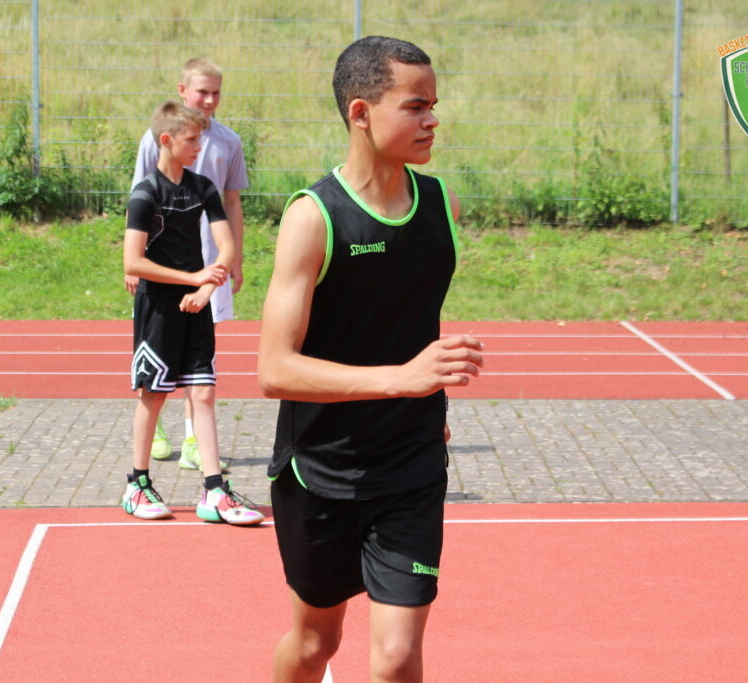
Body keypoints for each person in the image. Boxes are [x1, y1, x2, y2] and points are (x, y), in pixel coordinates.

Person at [257, 36, 485, 682]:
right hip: (321, 471)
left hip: (411, 466)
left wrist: (422, 393)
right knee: (314, 644)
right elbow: (274, 369)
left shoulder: (441, 206)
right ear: (360, 113)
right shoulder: (314, 218)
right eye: (415, 106)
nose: (432, 119)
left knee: (396, 656)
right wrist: (402, 380)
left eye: (434, 105)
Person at [122, 100, 263, 526]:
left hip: (196, 305)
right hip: (158, 309)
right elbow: (133, 262)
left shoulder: (203, 187)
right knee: (153, 395)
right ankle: (137, 485)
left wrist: (205, 289)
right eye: (191, 139)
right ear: (167, 140)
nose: (199, 146)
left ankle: (214, 491)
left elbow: (227, 248)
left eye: (200, 138)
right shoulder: (145, 194)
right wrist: (191, 279)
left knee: (202, 393)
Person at [128, 57, 249, 471]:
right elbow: (137, 211)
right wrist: (134, 266)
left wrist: (227, 264)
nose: (210, 99)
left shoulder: (227, 145)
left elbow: (231, 202)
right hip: (163, 280)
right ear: (183, 91)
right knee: (157, 376)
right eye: (203, 92)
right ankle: (149, 446)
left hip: (206, 273)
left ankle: (198, 449)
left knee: (202, 376)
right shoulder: (155, 151)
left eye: (217, 92)